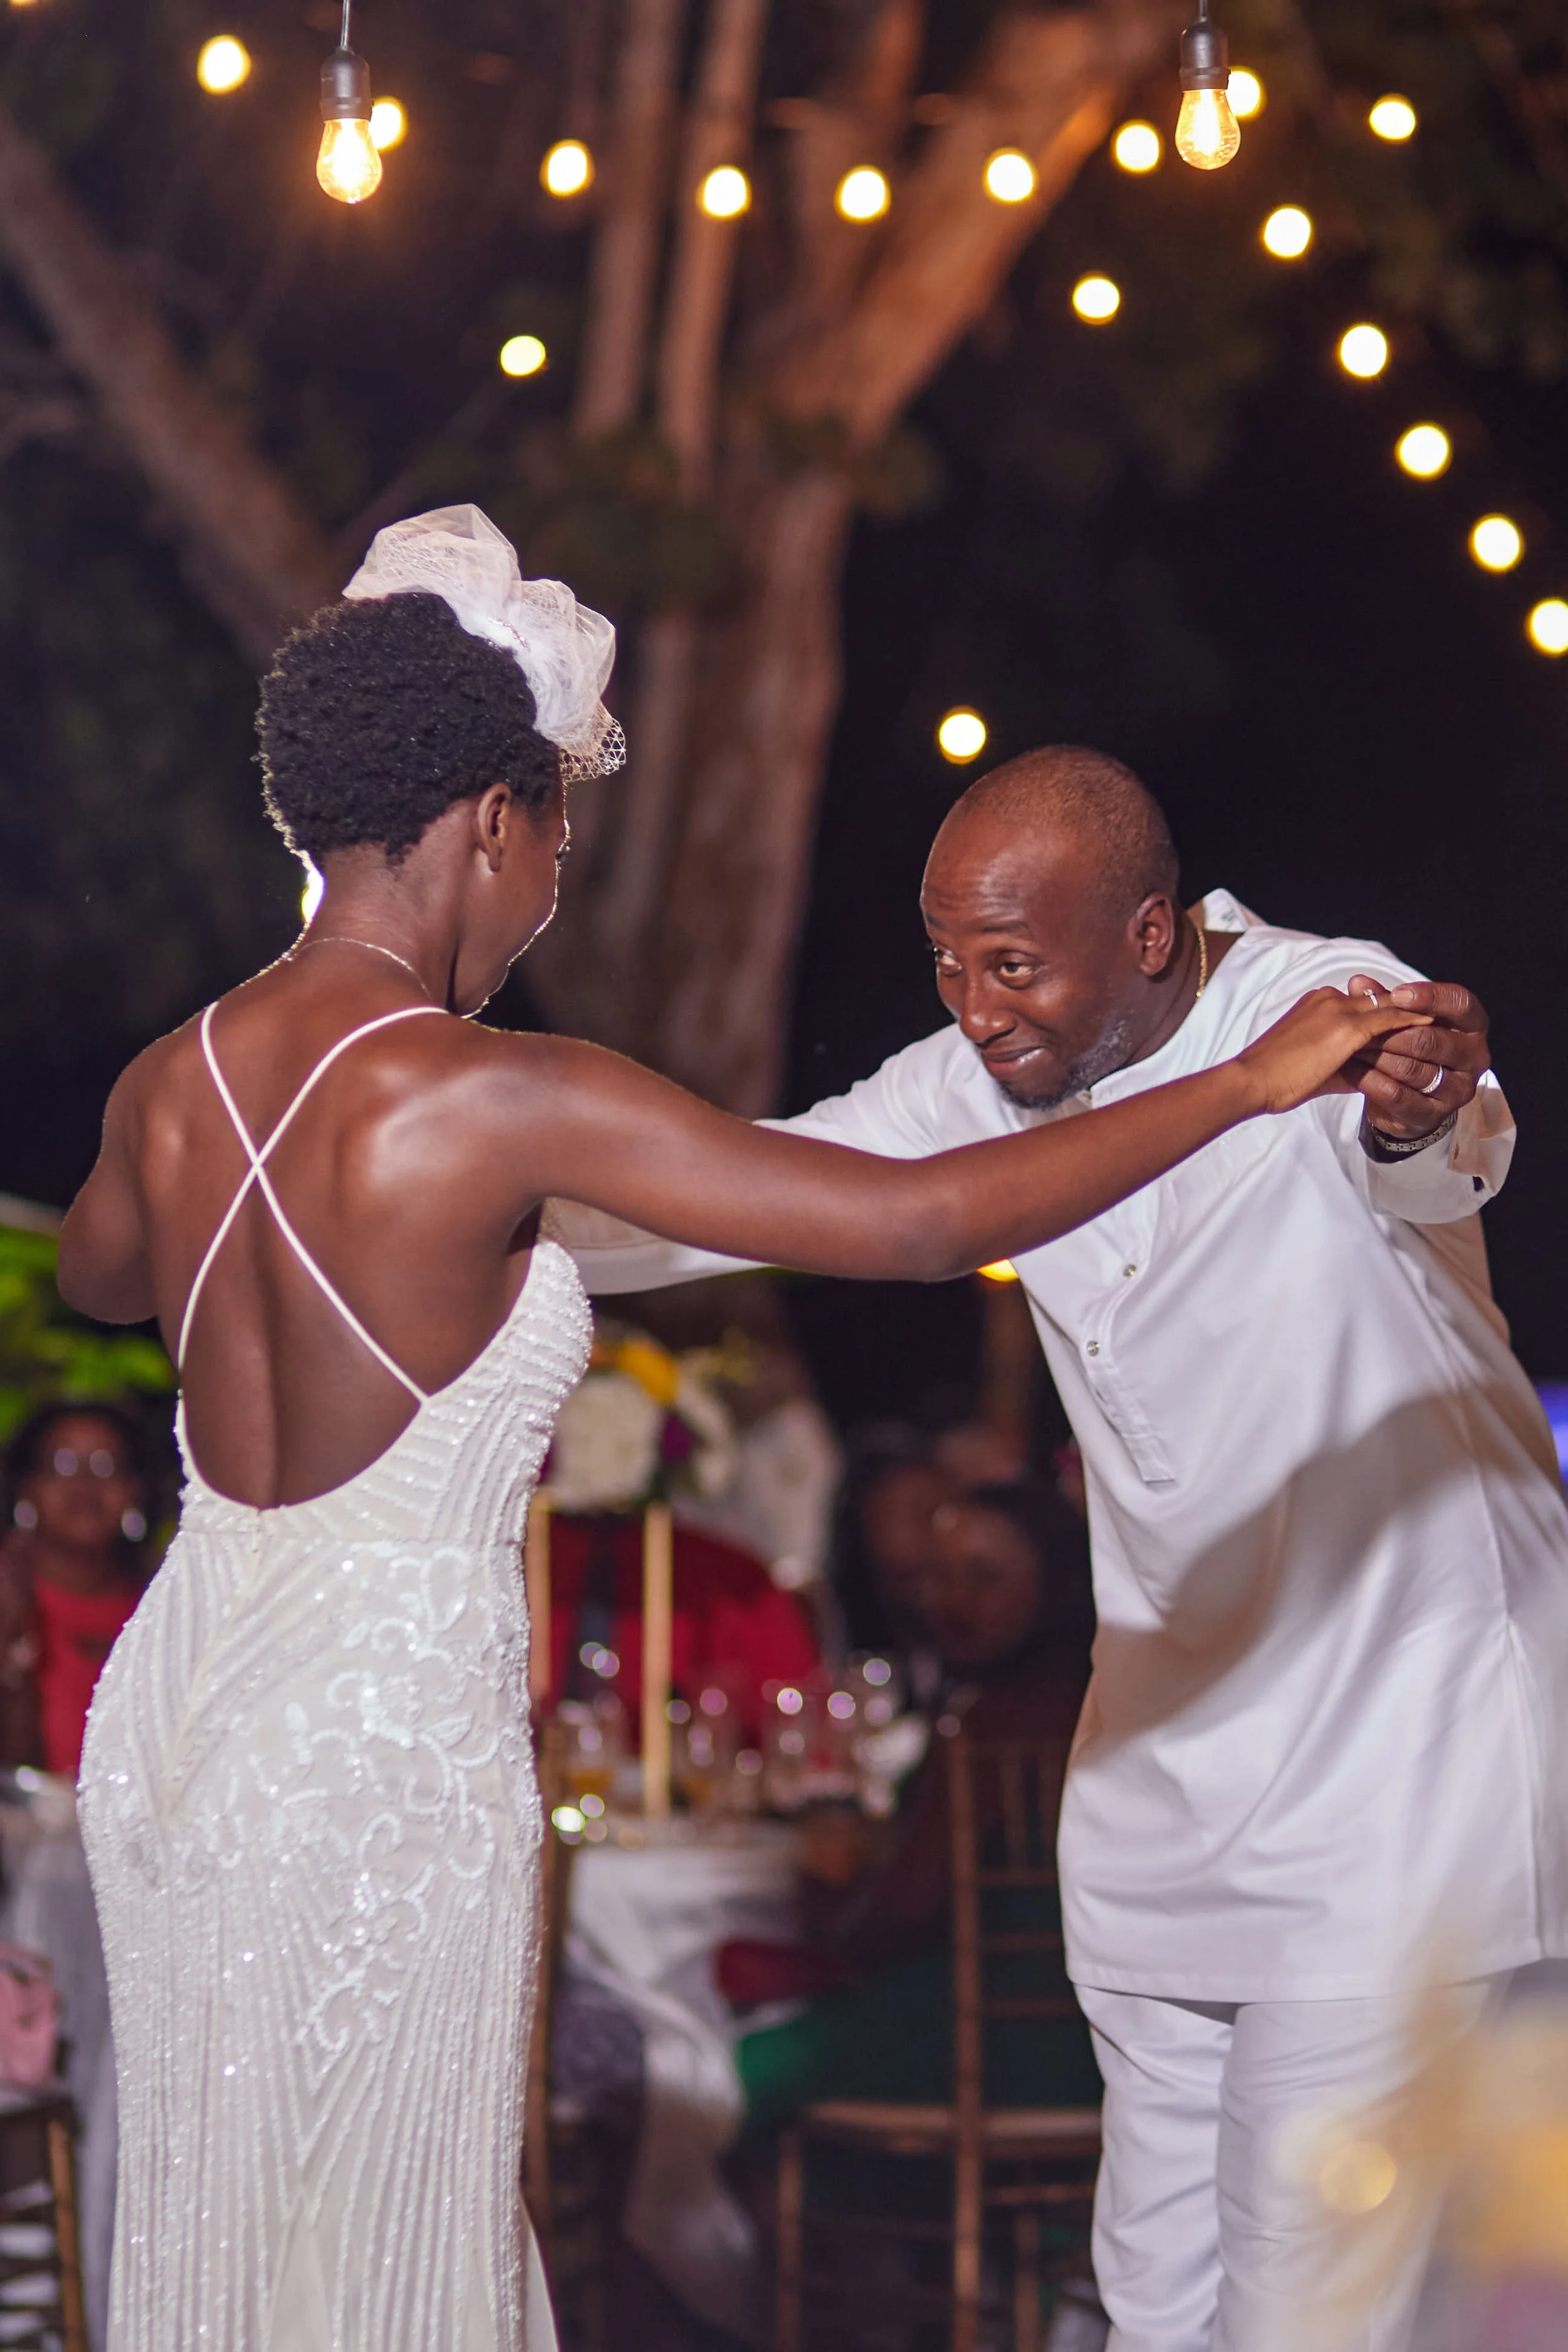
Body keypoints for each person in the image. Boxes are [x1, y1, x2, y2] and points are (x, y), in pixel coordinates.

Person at [55, 508, 1410, 2352]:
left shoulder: (167, 1082)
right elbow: (926, 1222)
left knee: (220, 2209)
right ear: (482, 824)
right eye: (552, 839)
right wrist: (1246, 1082)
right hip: (369, 1739)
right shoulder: (498, 1091)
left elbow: (105, 1281)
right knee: (391, 2229)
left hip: (182, 1709)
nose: (547, 887)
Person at [549, 743, 1563, 2351]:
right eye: (947, 959)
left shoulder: (1320, 1003)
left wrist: (1419, 1100)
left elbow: (1434, 1135)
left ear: (1149, 934)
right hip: (1163, 1773)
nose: (974, 1002)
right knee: (1152, 2296)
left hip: (1396, 1768)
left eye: (1013, 962)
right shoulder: (961, 1090)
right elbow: (738, 1196)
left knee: (1313, 2305)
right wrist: (457, 1209)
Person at [730, 1480, 1100, 2129]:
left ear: (1056, 1580)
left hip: (981, 2036)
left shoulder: (988, 1729)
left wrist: (828, 1887)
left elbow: (898, 1917)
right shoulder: (1101, 1706)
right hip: (1098, 2036)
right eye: (938, 1577)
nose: (951, 1602)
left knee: (727, 2077)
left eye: (983, 1578)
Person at [0, 1401, 151, 1777]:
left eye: (106, 1466)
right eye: (62, 1465)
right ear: (27, 1488)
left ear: (135, 1492)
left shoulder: (161, 1611)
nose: (84, 1485)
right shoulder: (8, 1597)